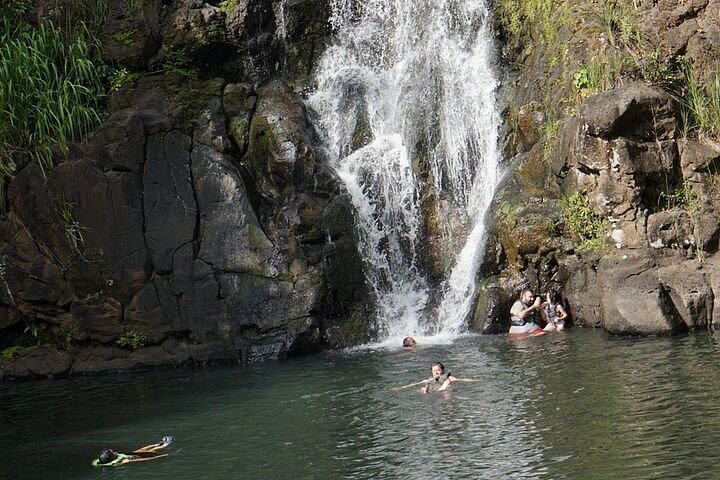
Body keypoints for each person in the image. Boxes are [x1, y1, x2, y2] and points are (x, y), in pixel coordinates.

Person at [393, 362, 478, 393]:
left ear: (443, 371)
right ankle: (426, 391)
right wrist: (401, 388)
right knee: (423, 388)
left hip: (445, 388)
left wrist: (475, 381)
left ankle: (442, 388)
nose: (436, 372)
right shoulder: (429, 380)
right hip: (435, 389)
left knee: (447, 384)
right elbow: (414, 384)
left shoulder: (449, 377)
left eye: (438, 370)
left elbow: (461, 380)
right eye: (434, 371)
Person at [92, 436, 174, 467]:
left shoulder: (116, 456)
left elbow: (138, 450)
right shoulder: (122, 461)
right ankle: (165, 445)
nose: (112, 450)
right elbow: (141, 460)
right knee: (151, 451)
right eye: (111, 451)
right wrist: (160, 456)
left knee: (142, 449)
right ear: (111, 455)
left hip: (132, 454)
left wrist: (154, 445)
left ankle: (157, 444)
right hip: (138, 457)